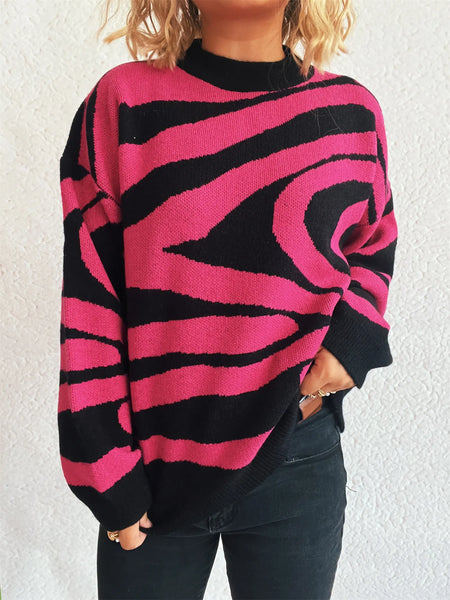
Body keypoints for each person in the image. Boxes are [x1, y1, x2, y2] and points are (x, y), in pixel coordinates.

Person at [57, 0, 398, 598]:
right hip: (151, 470)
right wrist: (103, 466)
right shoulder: (124, 104)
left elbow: (373, 241)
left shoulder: (349, 112)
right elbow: (91, 297)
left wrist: (351, 343)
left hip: (296, 455)